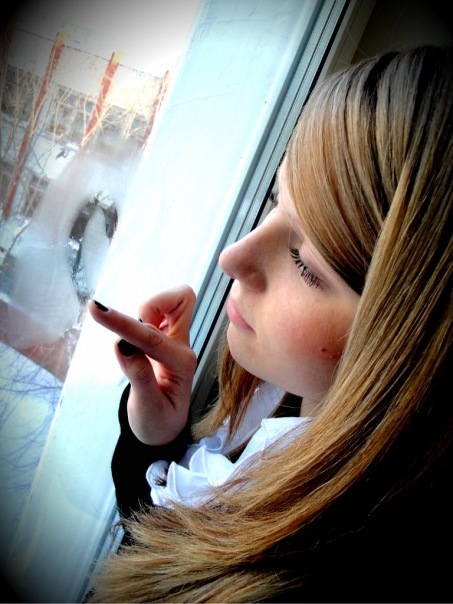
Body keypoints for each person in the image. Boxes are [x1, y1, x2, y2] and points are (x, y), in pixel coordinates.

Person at [87, 45, 452, 602]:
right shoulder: (269, 408)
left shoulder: (322, 572)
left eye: (306, 262)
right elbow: (161, 561)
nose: (232, 256)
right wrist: (155, 437)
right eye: (275, 198)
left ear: (407, 340)